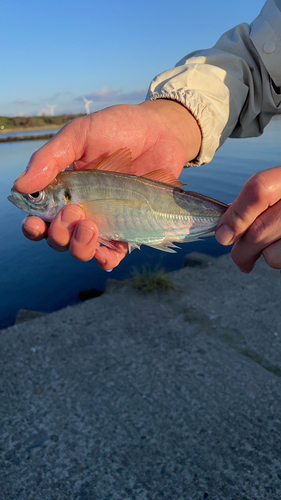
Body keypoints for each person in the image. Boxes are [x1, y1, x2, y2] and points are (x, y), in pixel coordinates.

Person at [14, 0, 281, 274]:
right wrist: (169, 121)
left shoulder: (71, 188)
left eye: (36, 195)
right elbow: (261, 60)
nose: (27, 194)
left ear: (65, 194)